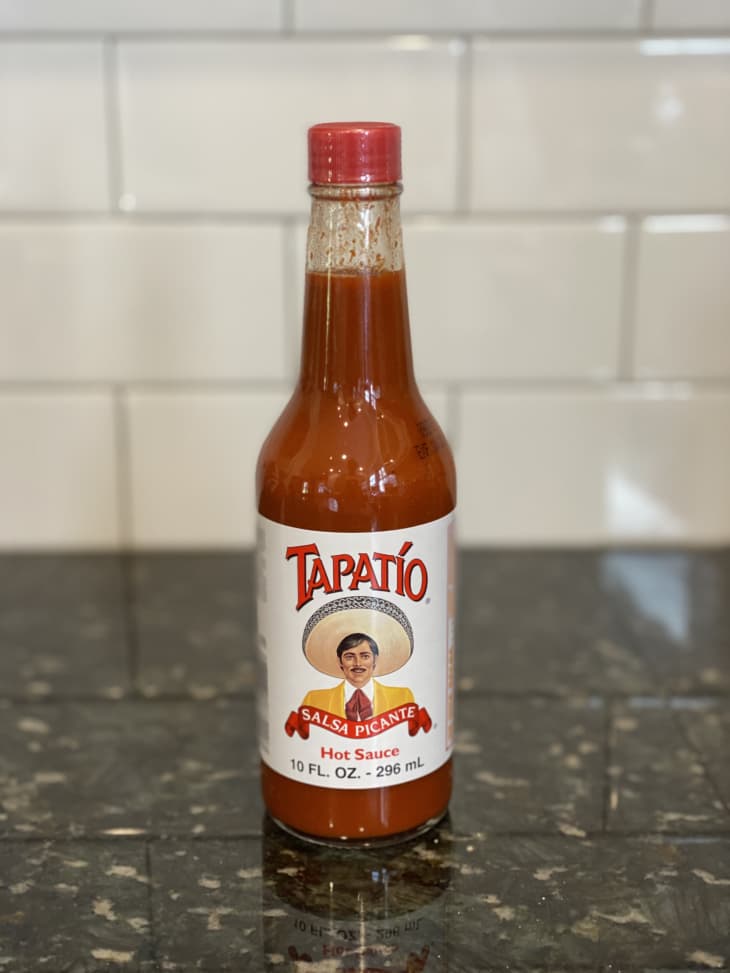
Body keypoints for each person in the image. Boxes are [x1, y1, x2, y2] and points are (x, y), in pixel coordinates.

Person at [301, 632, 414, 720]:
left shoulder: (402, 698)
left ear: (375, 660)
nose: (358, 663)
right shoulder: (314, 700)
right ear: (340, 661)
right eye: (349, 657)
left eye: (365, 656)